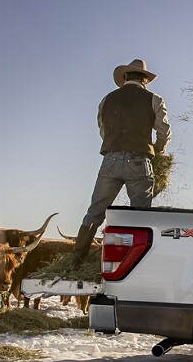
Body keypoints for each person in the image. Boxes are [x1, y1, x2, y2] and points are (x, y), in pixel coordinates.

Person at [72, 59, 171, 263]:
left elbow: (103, 130)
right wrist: (158, 149)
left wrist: (116, 147)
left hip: (111, 160)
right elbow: (164, 131)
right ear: (145, 80)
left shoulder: (107, 99)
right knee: (140, 216)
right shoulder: (154, 99)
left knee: (95, 212)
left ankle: (76, 259)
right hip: (139, 161)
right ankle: (134, 262)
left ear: (125, 77)